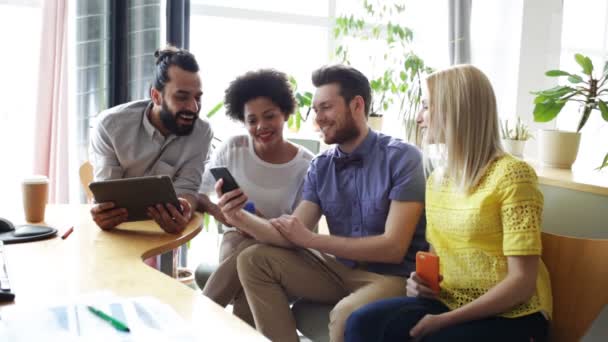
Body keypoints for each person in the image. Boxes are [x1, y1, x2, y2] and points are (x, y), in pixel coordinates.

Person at [216, 64, 428, 342]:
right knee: (253, 259)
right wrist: (237, 216)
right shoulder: (321, 166)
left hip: (393, 277)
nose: (318, 119)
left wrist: (312, 241)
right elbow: (292, 233)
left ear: (357, 105)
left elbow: (392, 248)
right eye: (315, 110)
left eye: (326, 108)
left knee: (345, 314)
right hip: (340, 270)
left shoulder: (403, 158)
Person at [344, 64, 552, 342]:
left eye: (427, 107)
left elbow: (522, 284)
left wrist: (443, 321)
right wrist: (419, 283)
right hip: (447, 302)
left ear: (457, 110)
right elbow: (436, 256)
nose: (419, 117)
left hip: (512, 314)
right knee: (361, 321)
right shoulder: (438, 179)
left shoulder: (513, 175)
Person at [196, 69, 314, 326]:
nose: (261, 127)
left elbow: (301, 230)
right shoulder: (233, 148)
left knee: (250, 255)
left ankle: (197, 322)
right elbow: (199, 193)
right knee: (243, 253)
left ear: (284, 113)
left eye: (269, 116)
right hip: (236, 236)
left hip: (281, 248)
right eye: (252, 120)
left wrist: (260, 224)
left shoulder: (306, 164)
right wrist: (226, 215)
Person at [89, 46, 213, 234]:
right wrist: (103, 212)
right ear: (156, 96)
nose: (194, 107)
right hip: (120, 230)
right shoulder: (110, 126)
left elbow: (188, 188)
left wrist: (184, 210)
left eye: (198, 98)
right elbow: (108, 195)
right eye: (182, 97)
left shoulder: (201, 133)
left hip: (164, 231)